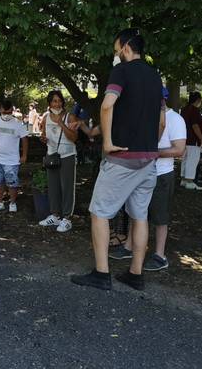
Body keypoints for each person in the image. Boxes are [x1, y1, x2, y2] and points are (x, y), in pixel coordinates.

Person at [71, 28, 165, 291]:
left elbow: (106, 105)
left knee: (99, 212)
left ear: (125, 48)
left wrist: (109, 142)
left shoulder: (121, 72)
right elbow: (161, 121)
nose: (116, 55)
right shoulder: (156, 77)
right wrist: (151, 146)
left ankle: (102, 273)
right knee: (140, 216)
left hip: (122, 157)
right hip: (149, 159)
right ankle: (136, 274)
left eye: (116, 50)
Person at [109, 86, 186, 271]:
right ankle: (129, 246)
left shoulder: (175, 119)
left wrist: (152, 153)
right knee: (135, 211)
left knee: (160, 216)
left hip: (162, 174)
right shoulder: (145, 116)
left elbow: (179, 149)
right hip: (140, 171)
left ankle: (160, 255)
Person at [38, 90, 80, 232]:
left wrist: (61, 123)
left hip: (67, 155)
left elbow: (74, 138)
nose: (57, 104)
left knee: (67, 186)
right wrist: (43, 138)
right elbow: (44, 134)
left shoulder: (70, 117)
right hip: (52, 154)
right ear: (49, 103)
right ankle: (55, 215)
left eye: (59, 100)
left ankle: (67, 218)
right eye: (54, 101)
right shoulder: (45, 117)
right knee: (53, 185)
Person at [0, 99, 29, 213]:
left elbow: (24, 139)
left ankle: (12, 203)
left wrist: (24, 155)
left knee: (12, 182)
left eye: (9, 113)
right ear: (0, 110)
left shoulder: (18, 123)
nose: (6, 115)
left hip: (12, 160)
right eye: (4, 113)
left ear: (12, 111)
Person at [180, 91, 202, 190]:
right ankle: (189, 181)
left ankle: (184, 179)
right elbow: (195, 126)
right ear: (198, 100)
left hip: (185, 138)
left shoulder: (184, 109)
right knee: (192, 160)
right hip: (193, 139)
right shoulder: (195, 110)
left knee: (185, 159)